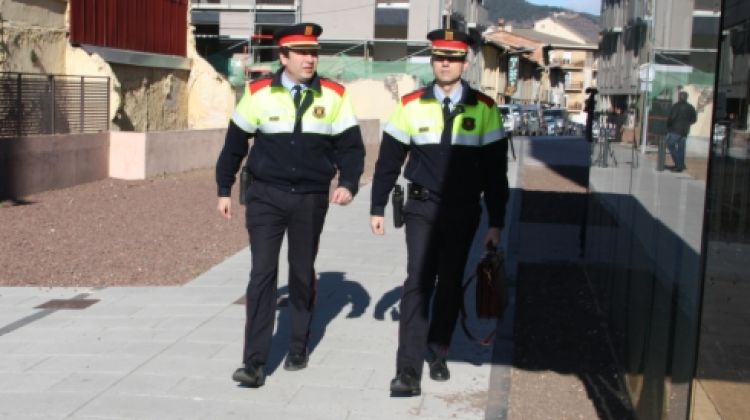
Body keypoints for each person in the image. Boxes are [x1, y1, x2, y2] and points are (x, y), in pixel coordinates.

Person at [215, 23, 365, 388]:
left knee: (301, 271)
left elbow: (351, 147)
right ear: (284, 57)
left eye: (313, 52)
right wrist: (224, 187)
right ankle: (254, 362)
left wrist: (347, 183)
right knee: (263, 273)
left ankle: (298, 344)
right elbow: (235, 143)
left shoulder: (334, 95)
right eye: (301, 52)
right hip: (266, 196)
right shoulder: (258, 92)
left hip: (311, 199)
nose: (310, 59)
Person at [369, 29, 509, 397]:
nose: (445, 63)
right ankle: (407, 370)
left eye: (453, 57)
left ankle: (438, 350)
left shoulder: (484, 108)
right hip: (421, 207)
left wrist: (497, 221)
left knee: (449, 283)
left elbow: (496, 172)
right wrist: (377, 205)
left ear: (465, 62)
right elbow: (388, 160)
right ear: (432, 61)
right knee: (418, 281)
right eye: (439, 57)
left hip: (464, 210)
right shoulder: (411, 103)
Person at [666, 91, 697, 172]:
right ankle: (681, 164)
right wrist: (687, 124)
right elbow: (694, 119)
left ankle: (679, 164)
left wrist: (668, 126)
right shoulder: (691, 107)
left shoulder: (676, 106)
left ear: (680, 97)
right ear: (687, 97)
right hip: (685, 130)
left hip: (675, 130)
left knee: (670, 145)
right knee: (681, 148)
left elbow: (671, 118)